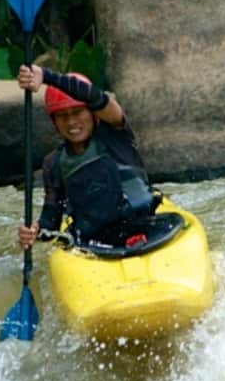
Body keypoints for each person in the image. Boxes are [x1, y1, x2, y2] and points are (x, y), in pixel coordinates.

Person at [16, 64, 158, 250]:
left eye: (77, 112)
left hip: (145, 228)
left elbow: (96, 98)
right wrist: (34, 232)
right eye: (62, 116)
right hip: (93, 244)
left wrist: (47, 76)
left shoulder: (115, 133)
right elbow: (51, 221)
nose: (71, 122)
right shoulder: (54, 163)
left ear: (92, 113)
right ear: (54, 121)